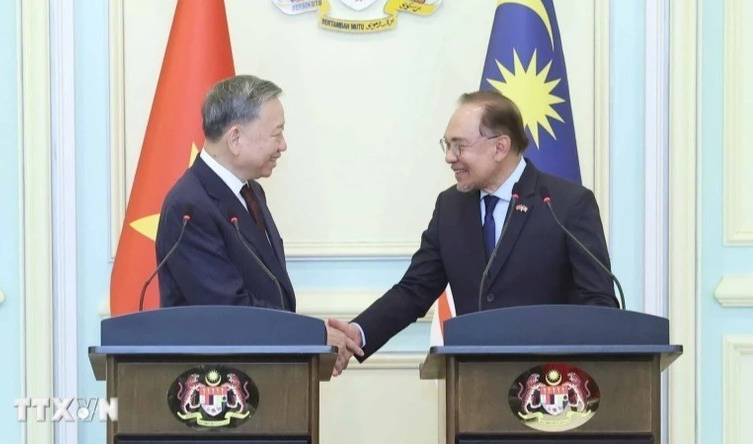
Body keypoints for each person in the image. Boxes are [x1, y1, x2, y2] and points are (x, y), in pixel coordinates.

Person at [328, 90, 619, 366]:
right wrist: (359, 331)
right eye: (447, 145)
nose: (449, 157)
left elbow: (599, 304)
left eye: (459, 145)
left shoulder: (565, 204)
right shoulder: (450, 207)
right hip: (473, 388)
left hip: (551, 387)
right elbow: (415, 289)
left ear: (500, 147)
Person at [156, 75, 362, 372]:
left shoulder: (251, 191)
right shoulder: (189, 206)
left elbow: (268, 285)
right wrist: (312, 335)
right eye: (276, 134)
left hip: (264, 373)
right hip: (216, 383)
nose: (283, 146)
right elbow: (229, 311)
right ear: (236, 138)